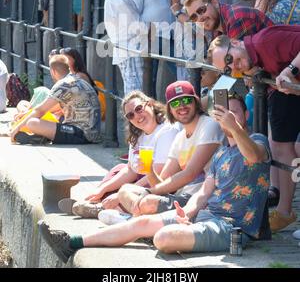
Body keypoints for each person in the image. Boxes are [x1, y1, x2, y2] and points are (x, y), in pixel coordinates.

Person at [38, 95, 271, 263]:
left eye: (235, 113)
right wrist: (187, 213)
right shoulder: (221, 152)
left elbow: (254, 155)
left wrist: (235, 127)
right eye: (224, 114)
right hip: (205, 215)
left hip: (232, 228)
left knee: (163, 238)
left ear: (246, 115)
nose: (229, 118)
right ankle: (71, 243)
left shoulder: (258, 140)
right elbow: (203, 193)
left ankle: (135, 228)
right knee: (142, 223)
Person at [207, 25, 300, 231]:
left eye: (231, 59)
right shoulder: (253, 58)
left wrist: (289, 70)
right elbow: (219, 92)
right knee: (281, 145)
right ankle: (284, 211)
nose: (234, 66)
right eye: (228, 68)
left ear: (237, 42)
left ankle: (285, 211)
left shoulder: (263, 42)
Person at [58, 90, 180, 219]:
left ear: (149, 104)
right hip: (142, 178)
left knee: (129, 192)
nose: (137, 116)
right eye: (130, 115)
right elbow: (130, 170)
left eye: (139, 109)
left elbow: (158, 172)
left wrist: (121, 194)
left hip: (157, 181)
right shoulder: (138, 134)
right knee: (119, 169)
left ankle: (103, 207)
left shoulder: (167, 131)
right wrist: (102, 189)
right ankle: (95, 200)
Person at [115, 80, 223, 219]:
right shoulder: (180, 137)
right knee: (125, 190)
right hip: (181, 196)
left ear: (196, 102)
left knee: (148, 201)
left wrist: (148, 192)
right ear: (170, 109)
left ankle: (133, 221)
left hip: (200, 200)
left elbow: (190, 173)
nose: (182, 106)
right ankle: (139, 221)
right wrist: (149, 171)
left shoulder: (209, 126)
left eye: (186, 100)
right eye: (175, 103)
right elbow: (163, 182)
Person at [255, 0, 300, 225]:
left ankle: (286, 207)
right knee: (278, 141)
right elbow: (256, 25)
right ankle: (282, 205)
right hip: (275, 76)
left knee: (287, 145)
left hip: (295, 73)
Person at [10, 55, 101, 145]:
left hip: (81, 134)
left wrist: (17, 128)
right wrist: (27, 113)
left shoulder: (62, 85)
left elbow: (40, 110)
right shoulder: (79, 80)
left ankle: (42, 136)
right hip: (91, 132)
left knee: (32, 122)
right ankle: (43, 136)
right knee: (46, 117)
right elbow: (49, 108)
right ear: (68, 68)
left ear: (53, 71)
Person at [132, 0, 181, 96]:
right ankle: (151, 107)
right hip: (150, 37)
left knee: (179, 69)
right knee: (149, 76)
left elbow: (181, 8)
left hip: (170, 36)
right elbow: (135, 12)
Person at [104, 0, 145, 95]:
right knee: (135, 89)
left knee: (133, 87)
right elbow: (138, 26)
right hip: (130, 49)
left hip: (127, 49)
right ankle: (135, 115)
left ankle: (135, 114)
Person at [184, 0, 273, 40]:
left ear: (214, 2)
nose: (200, 18)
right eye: (194, 17)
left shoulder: (236, 18)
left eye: (201, 10)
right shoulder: (218, 28)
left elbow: (237, 64)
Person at [170, 0, 206, 80]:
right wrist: (176, 4)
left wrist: (177, 12)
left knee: (191, 87)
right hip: (187, 48)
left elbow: (196, 24)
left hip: (194, 50)